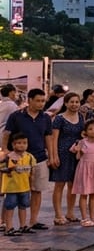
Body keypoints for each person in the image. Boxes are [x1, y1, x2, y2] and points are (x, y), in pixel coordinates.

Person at [1, 88, 53, 231]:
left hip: (39, 157)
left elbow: (48, 137)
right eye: (38, 101)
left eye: (43, 101)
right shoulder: (16, 116)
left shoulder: (45, 118)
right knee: (12, 191)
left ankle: (33, 220)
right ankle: (4, 222)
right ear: (29, 100)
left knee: (37, 190)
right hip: (18, 158)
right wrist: (5, 150)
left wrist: (52, 155)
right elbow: (7, 133)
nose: (41, 104)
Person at [48, 92, 85, 224]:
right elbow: (53, 139)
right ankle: (58, 215)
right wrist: (54, 155)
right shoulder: (59, 118)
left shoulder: (81, 117)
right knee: (60, 184)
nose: (74, 104)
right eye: (72, 102)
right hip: (62, 153)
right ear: (66, 103)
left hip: (76, 155)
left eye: (77, 102)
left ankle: (70, 212)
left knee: (73, 185)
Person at [72, 120, 94, 227]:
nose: (93, 131)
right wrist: (79, 150)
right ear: (85, 131)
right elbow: (77, 157)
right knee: (84, 193)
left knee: (93, 193)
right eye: (90, 129)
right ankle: (84, 218)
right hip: (85, 169)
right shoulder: (83, 142)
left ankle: (92, 216)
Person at [2, 133, 36, 236]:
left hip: (24, 187)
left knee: (23, 206)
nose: (22, 145)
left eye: (24, 143)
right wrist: (9, 169)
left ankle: (23, 226)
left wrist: (31, 185)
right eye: (19, 143)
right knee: (10, 207)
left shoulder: (30, 157)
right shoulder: (8, 157)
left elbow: (32, 172)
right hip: (11, 188)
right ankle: (9, 227)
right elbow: (2, 168)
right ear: (13, 144)